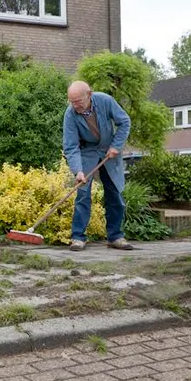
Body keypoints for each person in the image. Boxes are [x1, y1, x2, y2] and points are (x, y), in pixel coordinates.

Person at [62, 81, 133, 252]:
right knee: (83, 193)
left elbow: (124, 122)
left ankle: (115, 236)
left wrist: (116, 145)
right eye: (72, 102)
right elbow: (71, 146)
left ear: (89, 94)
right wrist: (78, 170)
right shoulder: (70, 114)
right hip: (88, 152)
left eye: (78, 101)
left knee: (114, 193)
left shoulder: (105, 101)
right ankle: (78, 238)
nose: (75, 105)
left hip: (109, 150)